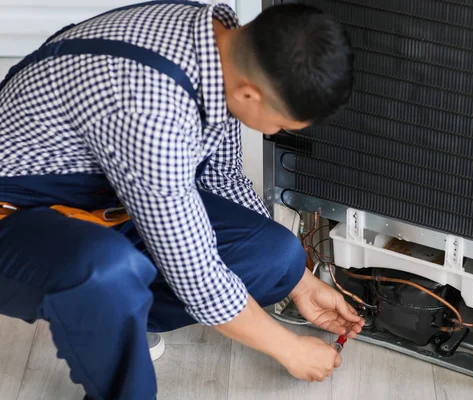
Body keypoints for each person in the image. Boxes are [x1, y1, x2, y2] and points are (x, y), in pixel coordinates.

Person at [0, 1, 362, 399]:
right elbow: (196, 278)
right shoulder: (148, 106)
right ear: (249, 93)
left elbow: (222, 178)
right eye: (280, 125)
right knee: (108, 271)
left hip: (106, 201)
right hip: (16, 216)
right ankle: (110, 328)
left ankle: (116, 320)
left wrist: (301, 284)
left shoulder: (221, 46)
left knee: (279, 255)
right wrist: (288, 348)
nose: (275, 131)